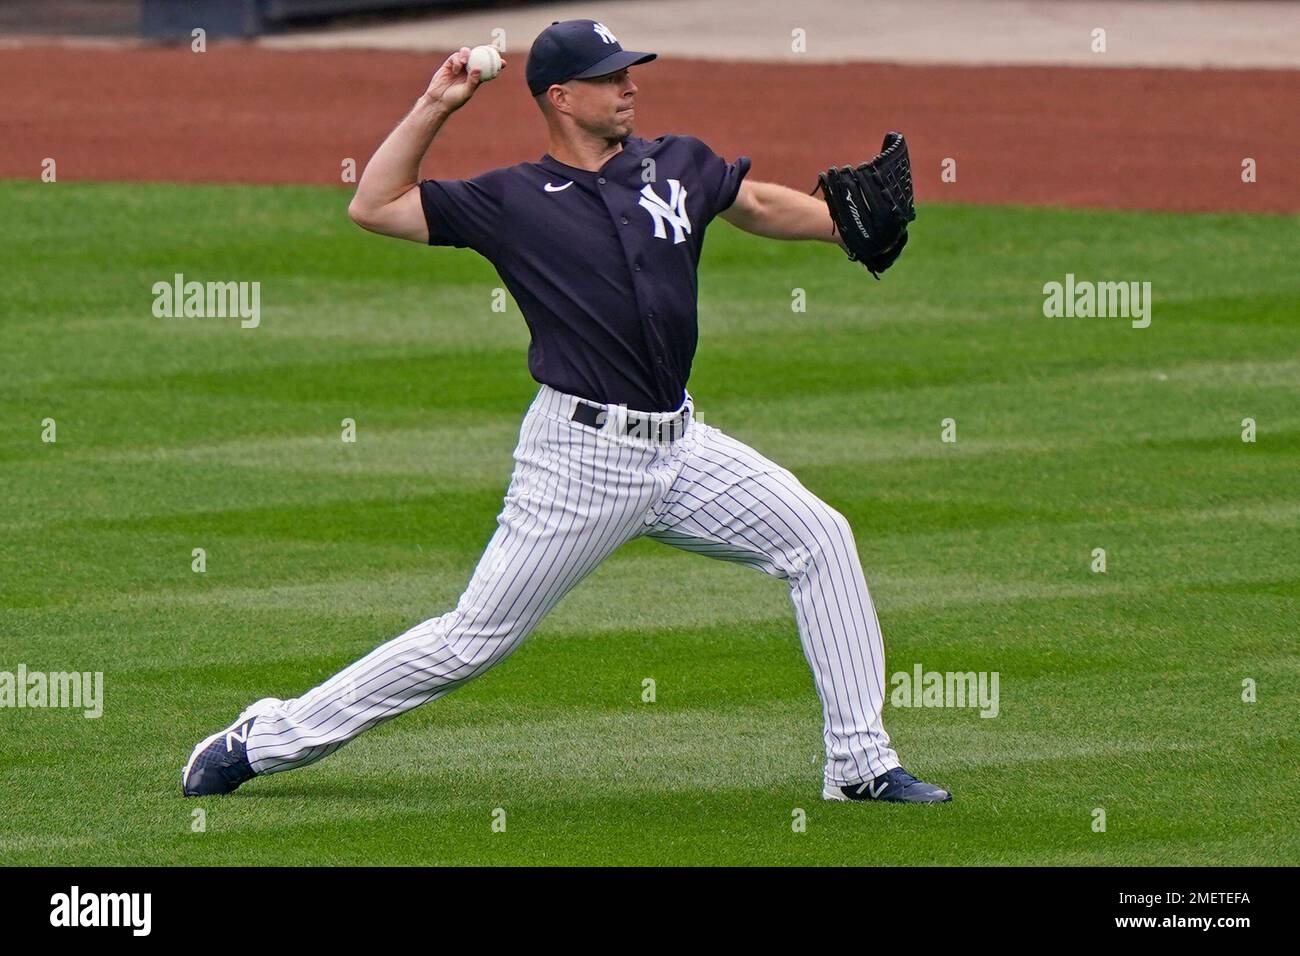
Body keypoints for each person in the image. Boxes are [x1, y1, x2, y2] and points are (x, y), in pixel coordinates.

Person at [182, 19, 950, 805]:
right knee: (472, 641)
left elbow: (749, 202)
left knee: (820, 538)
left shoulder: (676, 164)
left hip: (682, 449)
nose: (630, 87)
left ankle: (859, 765)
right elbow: (375, 205)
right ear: (561, 97)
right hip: (580, 461)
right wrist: (436, 104)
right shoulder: (511, 200)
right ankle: (263, 739)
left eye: (629, 73)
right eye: (611, 77)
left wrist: (836, 229)